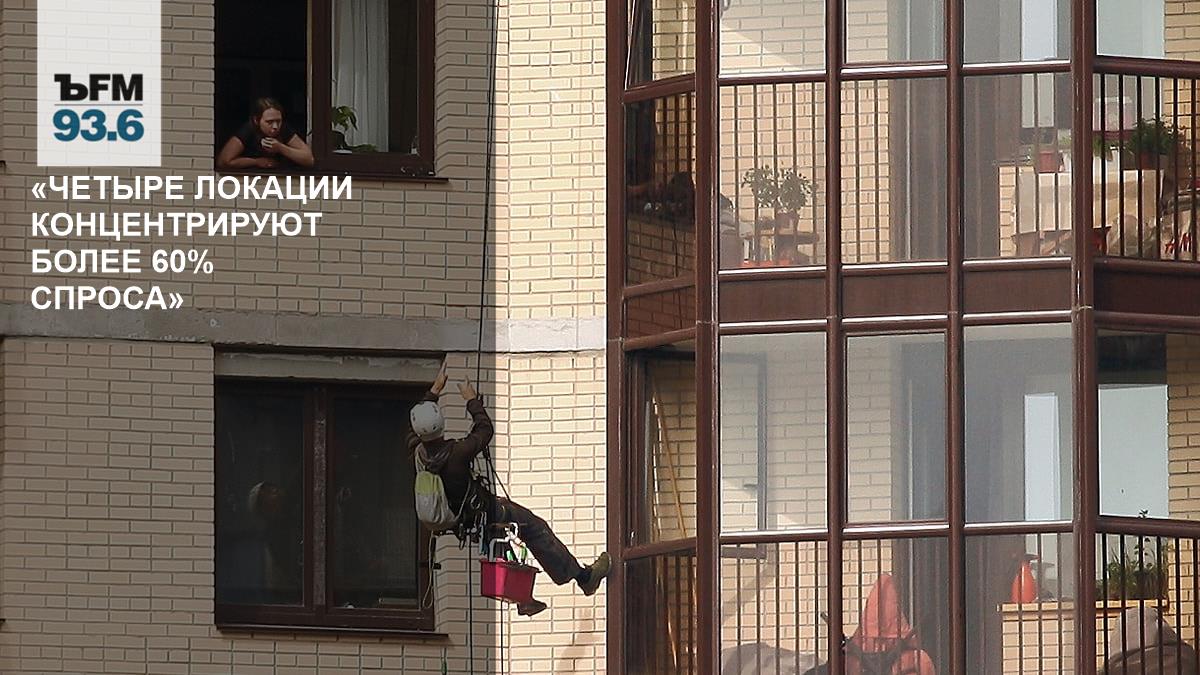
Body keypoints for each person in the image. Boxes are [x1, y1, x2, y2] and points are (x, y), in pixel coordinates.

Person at [407, 365, 610, 617]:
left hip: (462, 519)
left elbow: (415, 429)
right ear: (440, 424)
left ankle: (523, 597)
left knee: (503, 535)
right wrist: (471, 400)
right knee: (533, 526)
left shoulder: (418, 453)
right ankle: (583, 578)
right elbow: (484, 430)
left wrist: (434, 391)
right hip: (481, 512)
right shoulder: (456, 453)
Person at [216, 98, 314, 171]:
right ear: (256, 120)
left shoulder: (284, 129)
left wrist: (281, 148)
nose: (275, 126)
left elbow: (308, 159)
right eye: (269, 122)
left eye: (278, 121)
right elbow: (224, 161)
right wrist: (256, 162)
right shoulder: (249, 130)